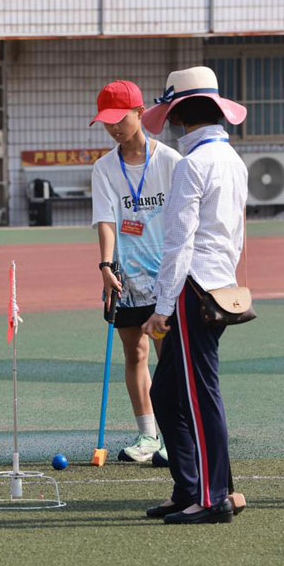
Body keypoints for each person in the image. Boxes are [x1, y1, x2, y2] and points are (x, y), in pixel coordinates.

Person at [141, 66, 248, 524]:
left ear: (180, 115)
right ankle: (190, 487)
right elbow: (235, 232)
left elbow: (179, 242)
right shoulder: (232, 160)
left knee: (198, 394)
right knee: (167, 393)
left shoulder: (192, 164)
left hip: (192, 288)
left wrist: (161, 308)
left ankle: (211, 496)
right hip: (220, 284)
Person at [89, 80, 181, 464]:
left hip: (165, 279)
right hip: (125, 279)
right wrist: (106, 266)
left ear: (140, 113)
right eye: (107, 122)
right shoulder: (103, 168)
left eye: (119, 119)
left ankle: (176, 437)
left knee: (168, 359)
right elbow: (106, 220)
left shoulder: (171, 162)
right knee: (134, 355)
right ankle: (147, 436)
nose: (113, 128)